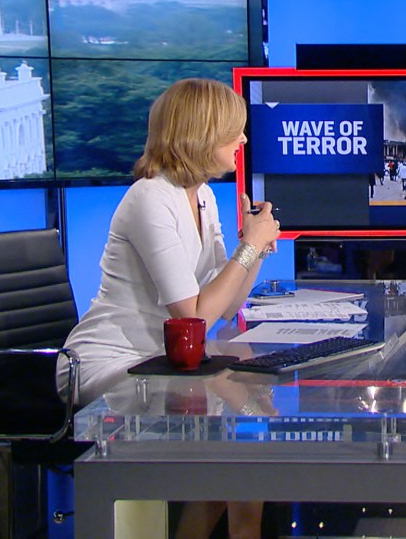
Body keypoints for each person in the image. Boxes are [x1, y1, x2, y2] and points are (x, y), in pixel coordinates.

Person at [59, 78, 281, 539]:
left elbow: (226, 306)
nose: (243, 139)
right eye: (233, 131)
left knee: (240, 453)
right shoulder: (149, 198)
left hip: (167, 361)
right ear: (202, 133)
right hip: (111, 362)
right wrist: (248, 247)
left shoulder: (203, 196)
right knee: (232, 438)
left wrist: (255, 247)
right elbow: (193, 319)